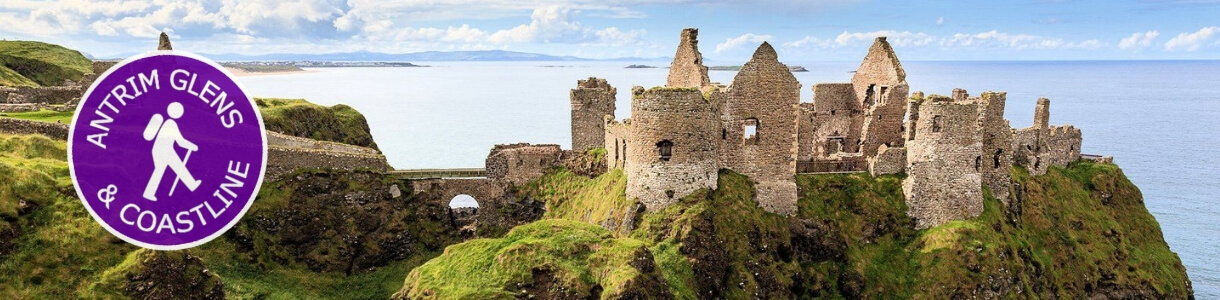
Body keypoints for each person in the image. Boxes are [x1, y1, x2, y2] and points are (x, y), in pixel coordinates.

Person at [142, 102, 201, 201]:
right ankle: (148, 193)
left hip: (165, 150)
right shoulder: (170, 124)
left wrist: (191, 146)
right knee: (162, 170)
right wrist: (193, 146)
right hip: (163, 151)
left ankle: (192, 184)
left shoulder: (168, 123)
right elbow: (180, 141)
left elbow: (178, 141)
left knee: (177, 167)